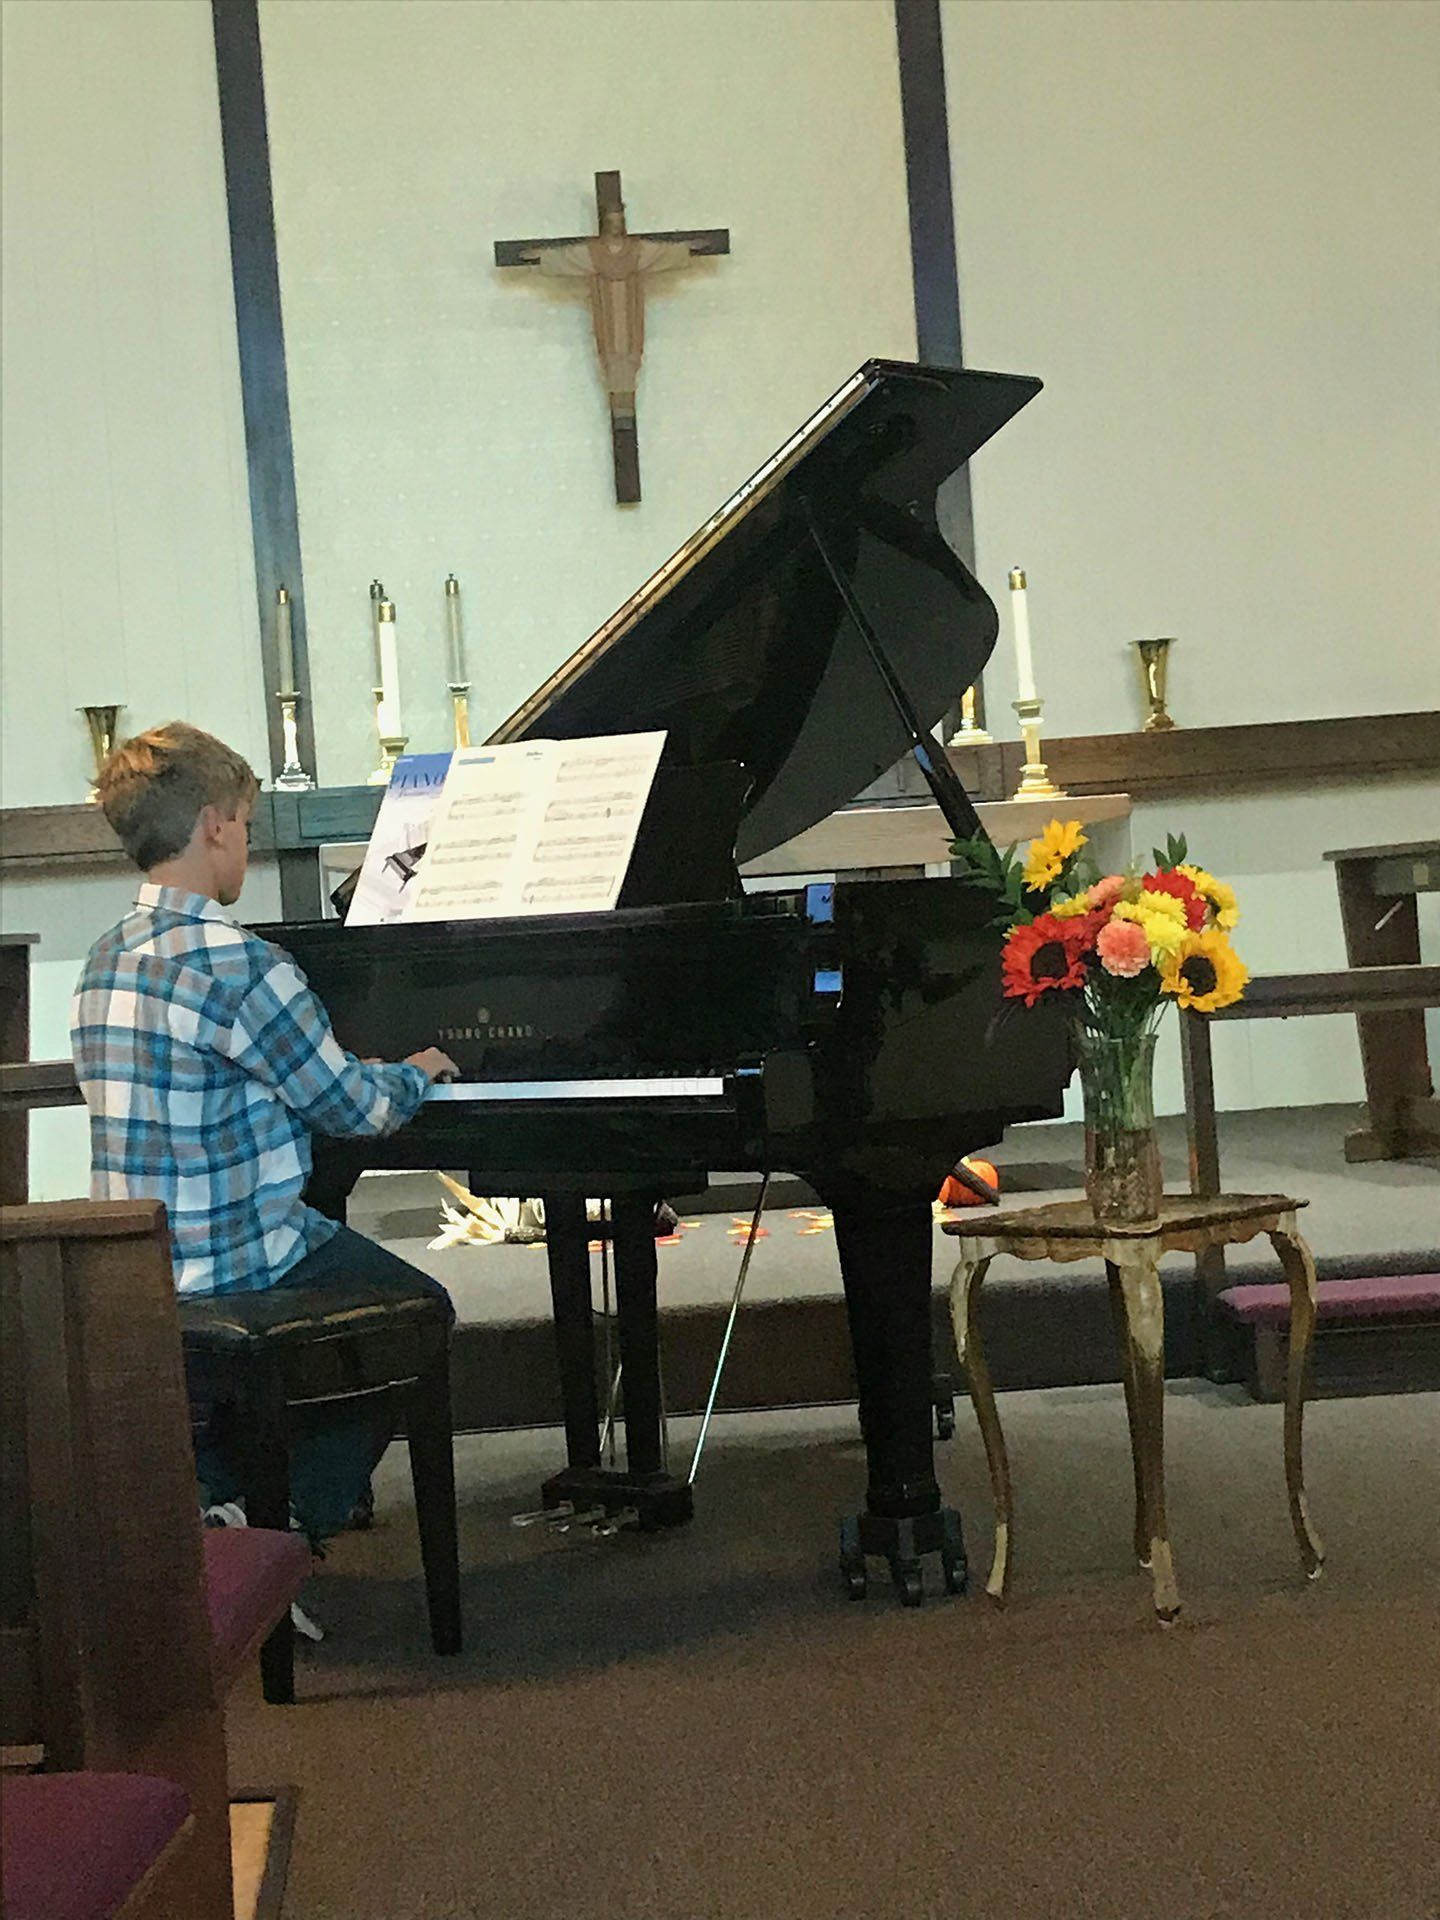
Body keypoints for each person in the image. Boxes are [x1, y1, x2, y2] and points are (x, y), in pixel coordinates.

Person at [70, 720, 458, 1549]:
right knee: (423, 1312)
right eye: (244, 825)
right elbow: (359, 1111)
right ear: (215, 824)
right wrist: (419, 1068)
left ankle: (212, 1501)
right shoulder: (245, 966)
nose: (243, 843)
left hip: (137, 1268)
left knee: (317, 1248)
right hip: (240, 1259)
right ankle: (277, 1522)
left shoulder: (103, 960)